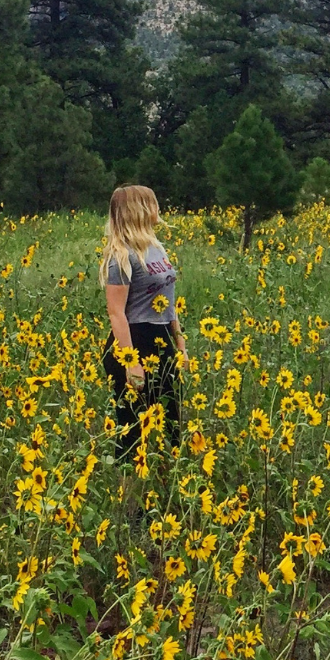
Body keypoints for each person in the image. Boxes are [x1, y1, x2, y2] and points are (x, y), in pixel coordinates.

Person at [100, 184, 186, 461]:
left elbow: (169, 300)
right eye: (152, 202)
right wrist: (131, 362)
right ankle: (129, 501)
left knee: (169, 425)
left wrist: (180, 342)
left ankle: (162, 497)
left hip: (161, 339)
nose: (157, 207)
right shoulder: (121, 256)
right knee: (134, 430)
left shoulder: (156, 249)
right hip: (135, 342)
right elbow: (116, 312)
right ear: (138, 209)